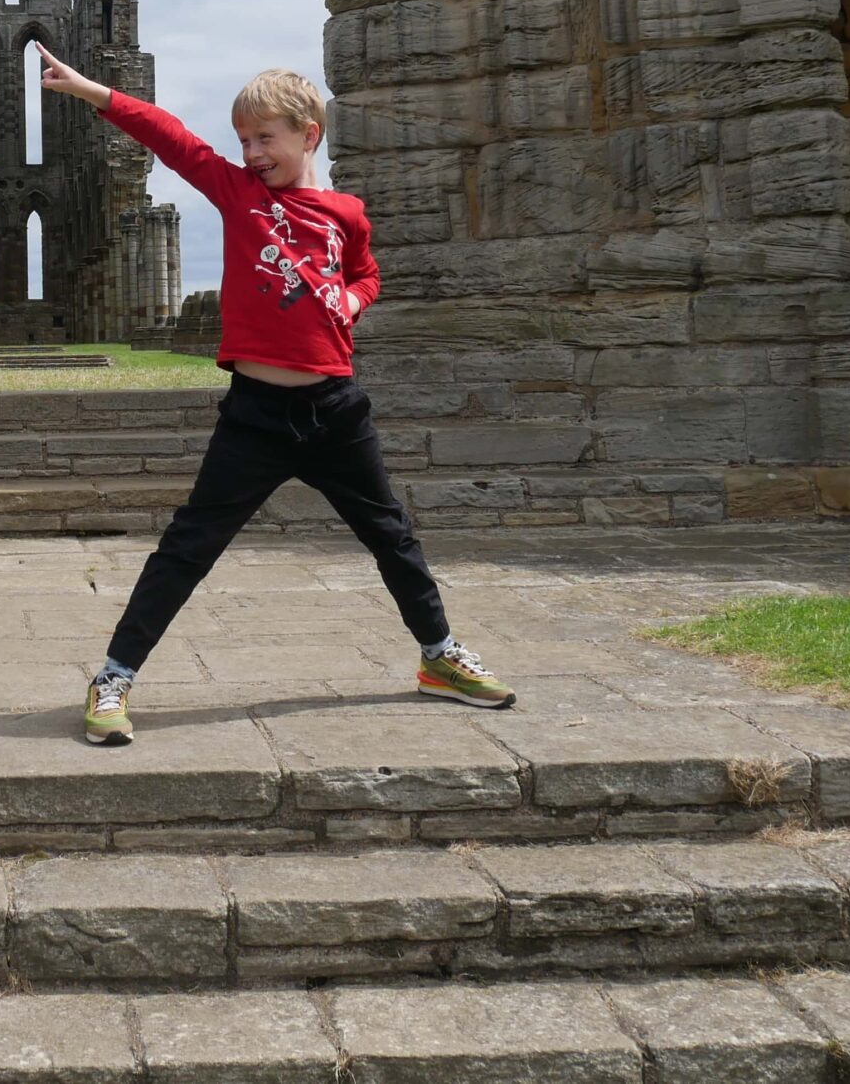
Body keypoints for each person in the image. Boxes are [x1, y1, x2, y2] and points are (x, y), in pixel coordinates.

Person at [35, 45, 515, 746]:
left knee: (392, 537)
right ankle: (113, 677)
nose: (252, 152)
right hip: (256, 414)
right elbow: (173, 139)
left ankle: (439, 656)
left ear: (308, 134)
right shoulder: (240, 194)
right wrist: (90, 91)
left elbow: (368, 274)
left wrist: (352, 299)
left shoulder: (347, 212)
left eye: (266, 138)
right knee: (189, 546)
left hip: (336, 412)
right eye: (244, 140)